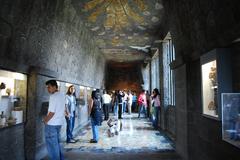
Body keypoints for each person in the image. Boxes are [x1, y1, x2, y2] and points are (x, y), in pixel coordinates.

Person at [43, 80, 65, 160]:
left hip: (51, 124)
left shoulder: (53, 97)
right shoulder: (62, 95)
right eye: (47, 87)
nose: (48, 89)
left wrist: (45, 120)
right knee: (58, 144)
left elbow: (52, 112)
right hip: (59, 123)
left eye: (49, 87)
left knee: (52, 146)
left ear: (55, 87)